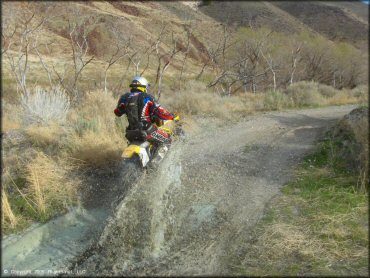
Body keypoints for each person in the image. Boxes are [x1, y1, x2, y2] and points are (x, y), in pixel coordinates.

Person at [114, 76, 175, 145]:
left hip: (130, 131)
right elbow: (160, 112)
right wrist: (172, 116)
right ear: (143, 86)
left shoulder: (124, 97)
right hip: (147, 130)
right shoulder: (147, 97)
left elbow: (117, 112)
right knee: (169, 140)